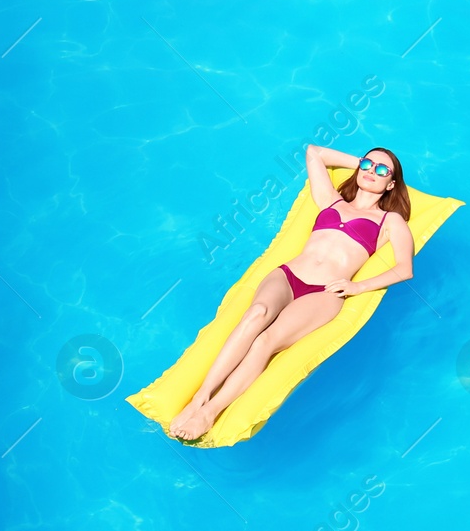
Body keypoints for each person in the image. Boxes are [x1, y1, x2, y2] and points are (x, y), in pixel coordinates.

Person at [168, 145, 415, 441]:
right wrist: (362, 164)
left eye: (381, 170)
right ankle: (200, 397)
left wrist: (356, 286)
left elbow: (404, 269)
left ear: (391, 184)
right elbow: (314, 153)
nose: (372, 172)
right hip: (289, 276)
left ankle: (212, 411)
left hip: (324, 293)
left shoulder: (390, 221)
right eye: (368, 164)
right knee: (255, 314)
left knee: (265, 341)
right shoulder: (331, 201)